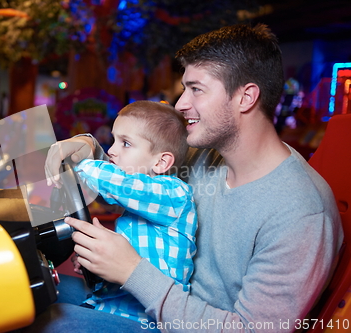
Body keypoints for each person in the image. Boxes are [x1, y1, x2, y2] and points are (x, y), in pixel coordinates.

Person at [26, 24, 343, 333]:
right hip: (140, 304)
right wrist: (85, 143)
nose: (180, 104)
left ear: (245, 97)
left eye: (196, 90)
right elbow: (134, 162)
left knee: (43, 321)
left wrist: (130, 270)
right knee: (23, 288)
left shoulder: (301, 213)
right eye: (184, 89)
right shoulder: (204, 153)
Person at [70, 100, 197, 324]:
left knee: (53, 321)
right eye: (114, 140)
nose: (111, 151)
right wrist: (95, 264)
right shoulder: (136, 206)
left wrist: (81, 164)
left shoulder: (174, 195)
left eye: (125, 143)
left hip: (146, 321)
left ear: (161, 162)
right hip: (110, 307)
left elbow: (122, 184)